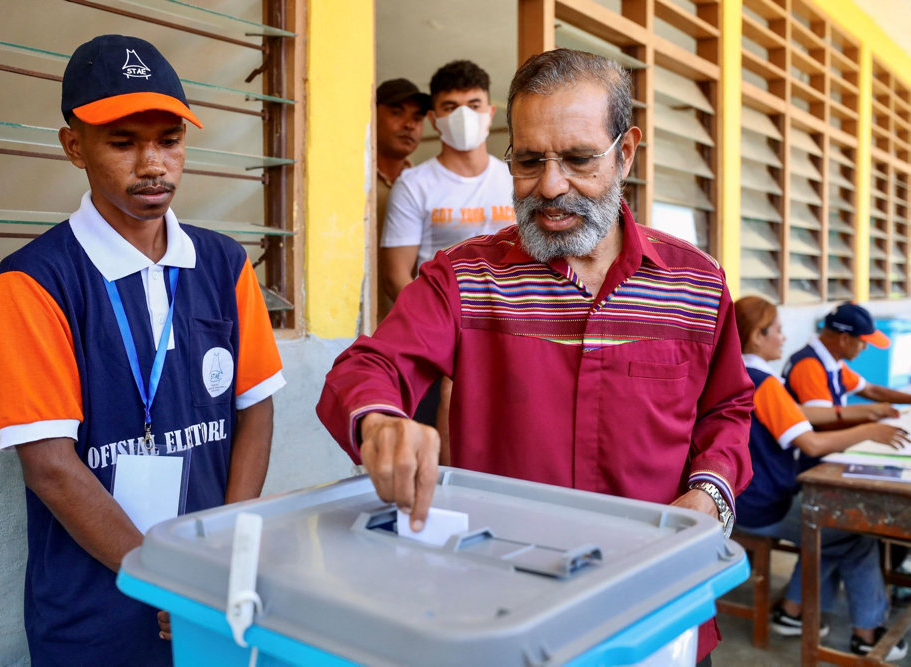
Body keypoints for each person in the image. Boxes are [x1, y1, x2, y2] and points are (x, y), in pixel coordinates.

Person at [317, 48, 753, 663]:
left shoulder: (696, 284)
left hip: (658, 603)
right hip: (502, 615)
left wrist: (709, 492)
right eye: (528, 161)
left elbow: (727, 409)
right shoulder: (466, 279)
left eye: (577, 160)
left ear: (625, 153)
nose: (550, 186)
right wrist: (380, 420)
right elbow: (367, 368)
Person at [0, 35, 284, 665]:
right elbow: (49, 465)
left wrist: (217, 559)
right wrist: (164, 579)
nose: (153, 164)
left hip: (205, 596)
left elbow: (254, 410)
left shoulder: (225, 263)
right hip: (95, 609)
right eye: (123, 142)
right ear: (75, 147)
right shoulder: (36, 280)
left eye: (169, 140)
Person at [733, 296, 908, 660]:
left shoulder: (736, 375)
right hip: (764, 505)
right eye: (777, 330)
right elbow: (811, 442)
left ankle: (794, 613)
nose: (784, 338)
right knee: (851, 535)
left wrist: (869, 417)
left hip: (740, 498)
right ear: (756, 337)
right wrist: (868, 430)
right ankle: (868, 633)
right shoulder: (766, 384)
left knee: (832, 535)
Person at [380, 60, 515, 430]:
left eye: (473, 105)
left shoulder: (515, 181)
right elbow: (395, 277)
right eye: (450, 107)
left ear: (490, 112)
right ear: (435, 119)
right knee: (441, 458)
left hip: (511, 339)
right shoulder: (415, 184)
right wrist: (448, 339)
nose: (463, 116)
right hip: (439, 347)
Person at [783, 301, 911, 411]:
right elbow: (824, 422)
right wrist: (872, 416)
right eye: (863, 342)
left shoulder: (832, 362)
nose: (865, 348)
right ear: (844, 339)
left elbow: (870, 390)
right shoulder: (809, 366)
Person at [375, 78, 429, 322]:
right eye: (397, 113)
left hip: (408, 324)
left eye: (417, 119)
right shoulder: (353, 185)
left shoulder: (422, 186)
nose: (409, 124)